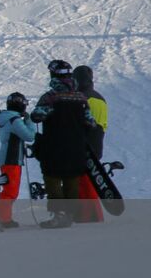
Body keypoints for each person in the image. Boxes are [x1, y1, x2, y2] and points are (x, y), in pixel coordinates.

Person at [30, 59, 100, 228]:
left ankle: (58, 214)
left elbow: (37, 116)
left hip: (54, 146)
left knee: (52, 178)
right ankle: (69, 213)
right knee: (72, 179)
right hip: (76, 147)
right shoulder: (81, 98)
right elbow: (91, 123)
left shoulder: (50, 97)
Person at [0, 92, 36, 227]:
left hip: (9, 158)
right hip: (11, 159)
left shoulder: (8, 118)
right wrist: (29, 120)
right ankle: (3, 219)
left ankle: (1, 215)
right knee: (10, 191)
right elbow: (29, 136)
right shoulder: (15, 120)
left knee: (9, 189)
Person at [74, 65, 108, 223]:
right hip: (97, 140)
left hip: (84, 141)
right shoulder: (100, 98)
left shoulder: (82, 97)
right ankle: (90, 213)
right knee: (90, 178)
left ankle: (89, 214)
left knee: (84, 180)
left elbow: (80, 122)